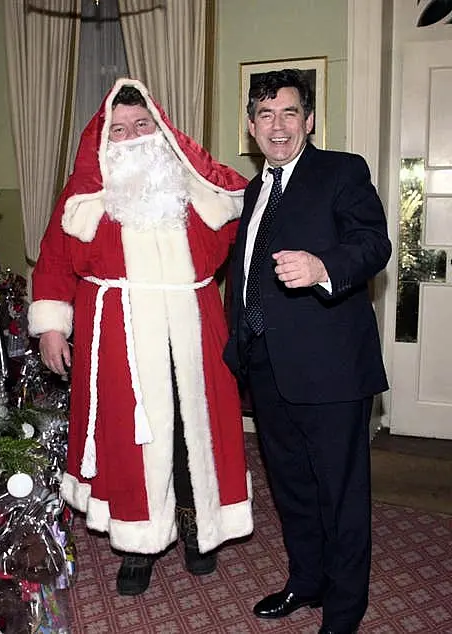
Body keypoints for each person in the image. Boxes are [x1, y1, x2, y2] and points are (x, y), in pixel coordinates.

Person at [28, 78, 253, 596]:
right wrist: (53, 328)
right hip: (118, 333)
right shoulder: (84, 194)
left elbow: (249, 220)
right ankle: (138, 544)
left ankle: (198, 529)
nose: (132, 138)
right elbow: (56, 262)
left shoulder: (194, 183)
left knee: (191, 432)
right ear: (106, 139)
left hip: (193, 328)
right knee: (131, 439)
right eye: (120, 130)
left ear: (161, 129)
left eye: (142, 126)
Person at [224, 69, 391, 634]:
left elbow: (373, 242)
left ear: (310, 120)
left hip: (331, 369)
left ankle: (344, 611)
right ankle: (306, 580)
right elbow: (245, 273)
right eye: (266, 115)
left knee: (341, 495)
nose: (278, 126)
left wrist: (324, 268)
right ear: (251, 126)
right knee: (292, 487)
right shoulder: (253, 190)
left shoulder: (341, 172)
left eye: (290, 113)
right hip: (267, 366)